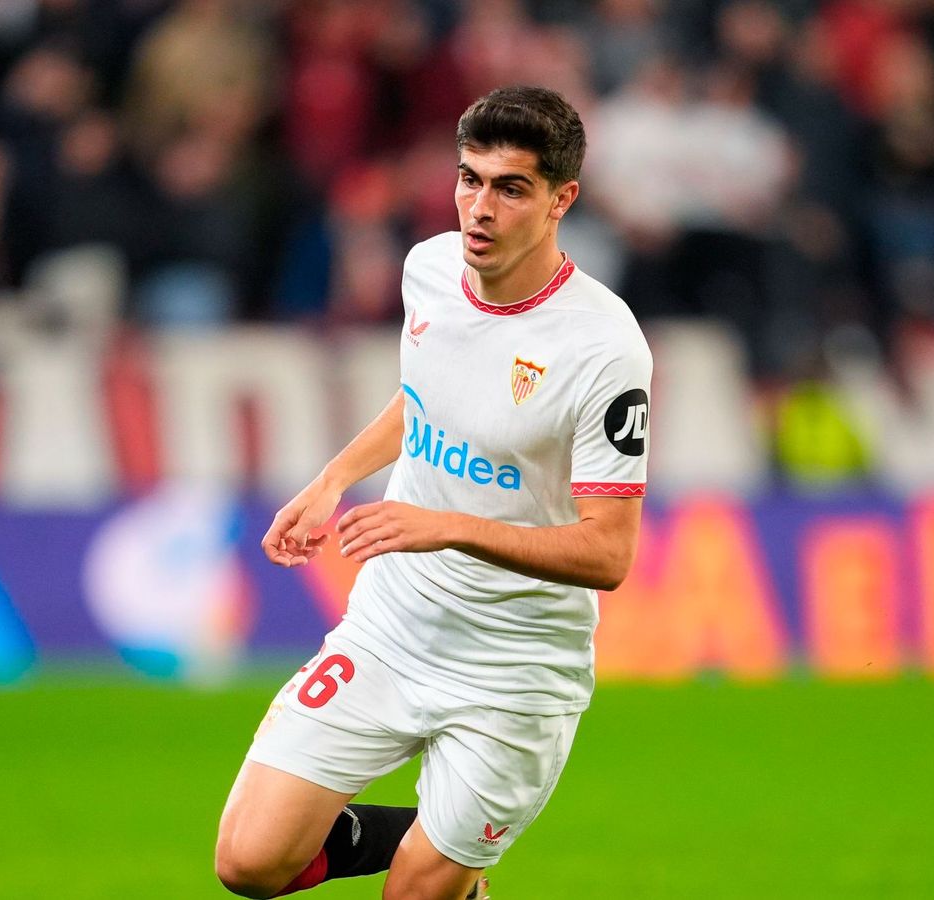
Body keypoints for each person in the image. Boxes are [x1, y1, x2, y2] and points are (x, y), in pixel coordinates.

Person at [214, 86, 652, 900]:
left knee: (416, 893)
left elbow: (609, 551)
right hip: (396, 626)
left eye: (510, 188)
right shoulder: (430, 270)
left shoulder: (604, 349)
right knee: (250, 859)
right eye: (468, 180)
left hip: (515, 668)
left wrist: (449, 526)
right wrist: (331, 481)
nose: (478, 209)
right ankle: (444, 855)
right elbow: (426, 396)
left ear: (563, 199)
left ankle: (447, 869)